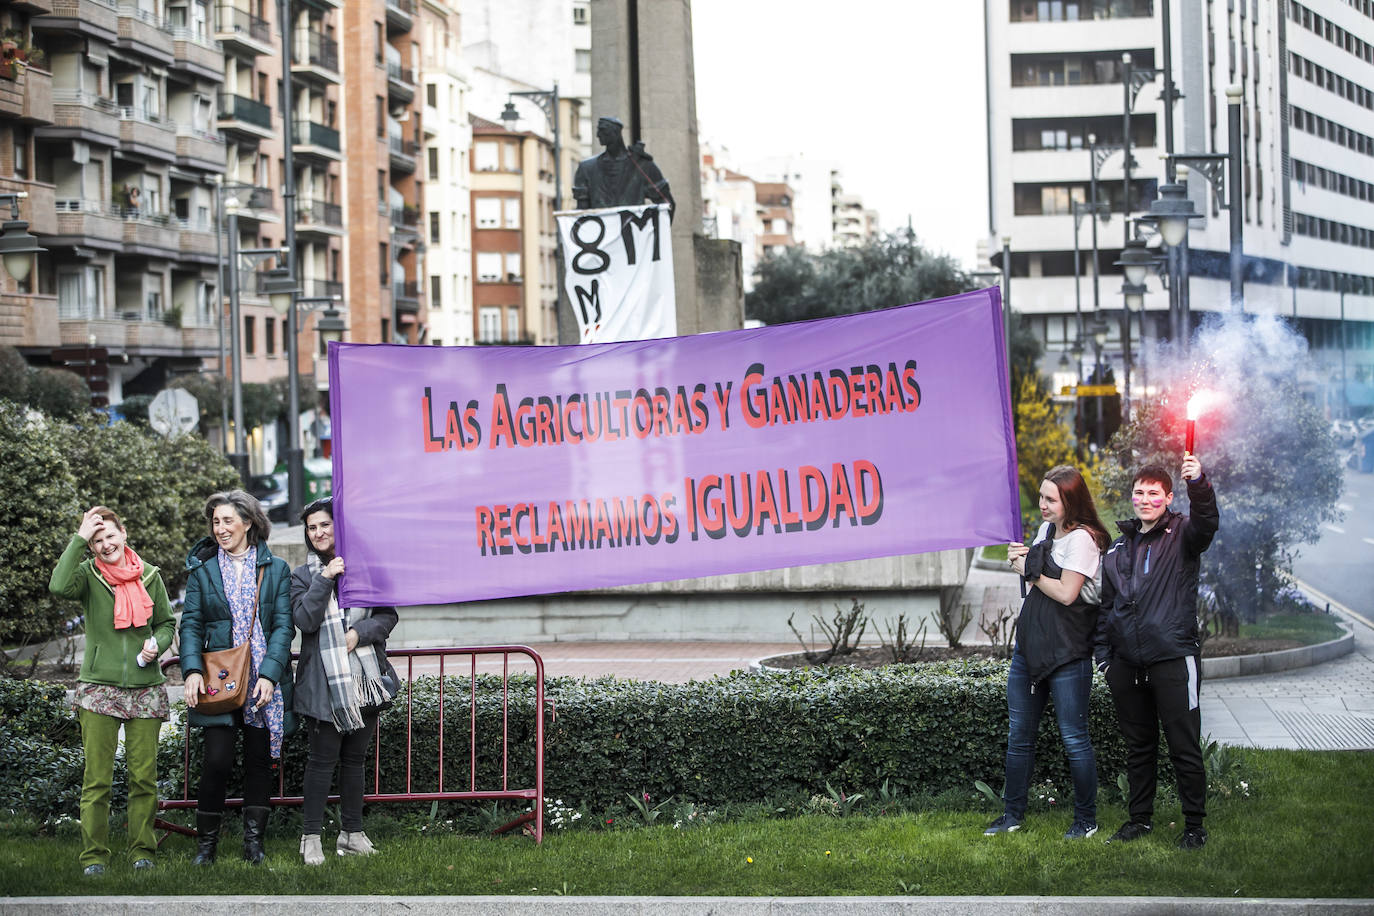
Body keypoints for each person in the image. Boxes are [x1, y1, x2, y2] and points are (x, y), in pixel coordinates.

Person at [1095, 455, 1219, 850]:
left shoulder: (1183, 534)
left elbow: (1208, 521)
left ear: (1167, 498)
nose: (1145, 499)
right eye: (1139, 492)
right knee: (1139, 746)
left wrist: (1198, 481)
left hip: (1172, 657)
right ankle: (1139, 820)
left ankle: (1194, 826)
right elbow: (1106, 607)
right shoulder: (1117, 548)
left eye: (1153, 493)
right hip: (1127, 665)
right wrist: (1105, 658)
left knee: (1183, 745)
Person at [984, 466, 1110, 840]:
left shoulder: (1084, 541)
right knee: (1019, 735)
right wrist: (1022, 562)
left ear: (1070, 501)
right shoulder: (1046, 532)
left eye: (1050, 499)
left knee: (1074, 737)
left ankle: (1086, 819)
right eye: (1040, 496)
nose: (1041, 504)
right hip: (1030, 650)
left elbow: (1068, 593)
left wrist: (1029, 569)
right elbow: (1036, 582)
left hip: (1067, 652)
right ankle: (1012, 815)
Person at [49, 507, 176, 876]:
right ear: (90, 547)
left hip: (146, 688)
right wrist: (77, 538)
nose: (105, 545)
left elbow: (167, 622)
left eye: (110, 536)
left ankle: (142, 852)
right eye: (96, 540)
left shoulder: (150, 575)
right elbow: (57, 586)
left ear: (124, 533)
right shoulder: (87, 576)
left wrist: (157, 642)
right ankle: (94, 858)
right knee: (98, 779)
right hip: (98, 690)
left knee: (143, 779)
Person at [179, 489, 294, 865]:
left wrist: (271, 676)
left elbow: (282, 627)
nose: (220, 528)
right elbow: (192, 624)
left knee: (259, 763)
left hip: (262, 680)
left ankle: (253, 844)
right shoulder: (204, 570)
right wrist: (192, 669)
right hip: (220, 677)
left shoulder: (276, 569)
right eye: (215, 522)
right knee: (217, 761)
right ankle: (205, 846)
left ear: (248, 523)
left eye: (228, 520)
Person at [290, 496, 399, 865]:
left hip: (364, 681)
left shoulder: (366, 569)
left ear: (339, 527)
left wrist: (360, 633)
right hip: (323, 687)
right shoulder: (303, 576)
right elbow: (305, 621)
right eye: (312, 527)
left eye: (324, 525)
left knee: (355, 760)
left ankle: (352, 833)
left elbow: (387, 616)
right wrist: (326, 577)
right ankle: (311, 838)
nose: (318, 532)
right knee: (322, 761)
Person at [572, 116, 676, 215]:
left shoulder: (643, 165)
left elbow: (667, 203)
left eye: (603, 130)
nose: (598, 135)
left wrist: (655, 231)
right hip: (602, 231)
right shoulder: (586, 168)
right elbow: (582, 213)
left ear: (615, 133)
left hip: (633, 231)